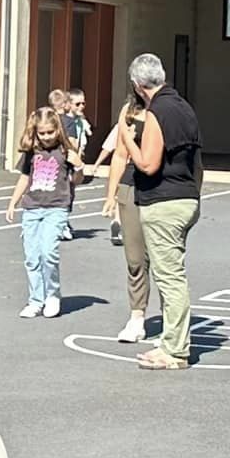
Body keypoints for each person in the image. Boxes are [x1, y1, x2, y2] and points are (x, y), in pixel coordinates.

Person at [123, 52, 203, 371]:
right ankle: (172, 341)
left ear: (137, 84)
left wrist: (127, 138)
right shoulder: (184, 107)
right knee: (171, 275)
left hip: (164, 203)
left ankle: (175, 350)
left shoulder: (158, 111)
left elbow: (147, 164)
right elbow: (197, 161)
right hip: (186, 197)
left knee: (170, 278)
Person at [7, 106, 82, 319]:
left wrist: (79, 167)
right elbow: (24, 178)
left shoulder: (65, 151)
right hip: (32, 207)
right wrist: (13, 202)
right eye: (42, 133)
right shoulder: (32, 152)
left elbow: (76, 181)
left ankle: (52, 295)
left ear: (58, 129)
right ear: (36, 132)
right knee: (32, 257)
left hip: (56, 208)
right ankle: (35, 300)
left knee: (48, 252)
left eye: (50, 132)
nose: (47, 137)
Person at [99, 95, 154, 342]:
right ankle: (137, 317)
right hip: (131, 185)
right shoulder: (129, 111)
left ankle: (172, 319)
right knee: (135, 258)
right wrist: (111, 195)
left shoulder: (169, 109)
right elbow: (120, 155)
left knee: (163, 260)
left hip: (162, 188)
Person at [61, 90, 92, 240]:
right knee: (66, 192)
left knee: (71, 191)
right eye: (77, 104)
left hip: (75, 160)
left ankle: (64, 220)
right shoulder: (67, 121)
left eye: (83, 103)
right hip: (68, 162)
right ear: (68, 105)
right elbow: (71, 144)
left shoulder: (78, 121)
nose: (81, 106)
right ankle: (61, 222)